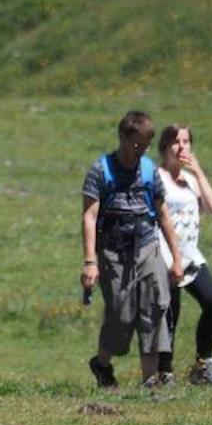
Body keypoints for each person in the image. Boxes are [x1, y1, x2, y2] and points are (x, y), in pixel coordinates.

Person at [80, 110, 184, 387]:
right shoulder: (101, 170)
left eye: (146, 145)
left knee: (155, 307)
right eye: (136, 144)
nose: (141, 150)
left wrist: (176, 259)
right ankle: (102, 365)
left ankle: (150, 380)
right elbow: (89, 217)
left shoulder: (150, 171)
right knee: (120, 315)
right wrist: (90, 262)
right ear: (123, 138)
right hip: (114, 252)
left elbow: (163, 216)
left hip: (147, 247)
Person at [155, 124, 212, 386]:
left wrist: (197, 171)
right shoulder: (157, 177)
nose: (181, 147)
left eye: (186, 141)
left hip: (190, 255)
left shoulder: (192, 180)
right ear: (164, 147)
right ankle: (164, 373)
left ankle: (202, 365)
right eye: (175, 142)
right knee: (170, 312)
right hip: (163, 254)